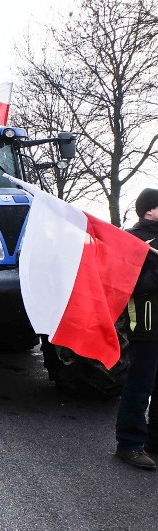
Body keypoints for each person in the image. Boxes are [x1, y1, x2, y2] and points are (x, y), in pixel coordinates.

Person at [115, 187, 158, 468]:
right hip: (146, 323)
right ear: (149, 209)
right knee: (140, 386)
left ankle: (154, 442)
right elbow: (129, 283)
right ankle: (129, 444)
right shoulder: (131, 240)